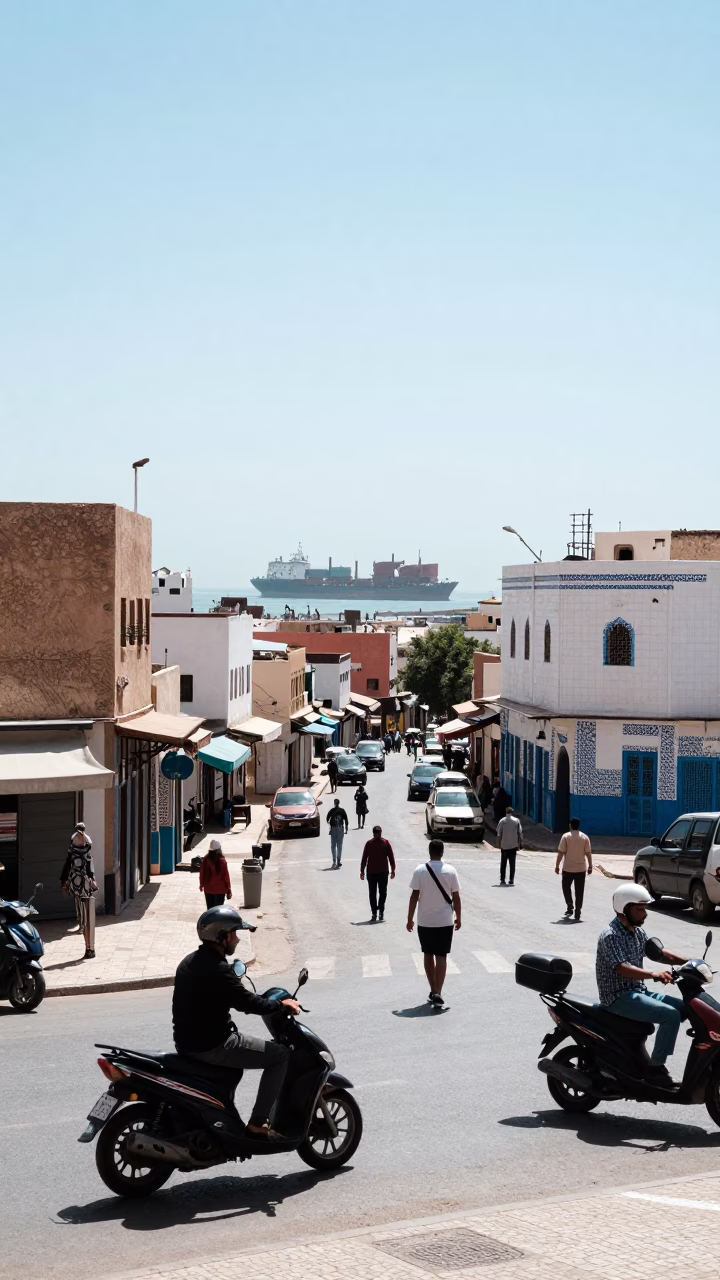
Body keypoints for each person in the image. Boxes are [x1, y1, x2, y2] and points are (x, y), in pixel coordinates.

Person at [173, 906, 300, 1140]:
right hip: (213, 1045)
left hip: (187, 1043)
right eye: (234, 933)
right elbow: (248, 1003)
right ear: (223, 936)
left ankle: (223, 1119)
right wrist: (282, 1005)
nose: (238, 939)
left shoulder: (189, 962)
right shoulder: (219, 970)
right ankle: (258, 1123)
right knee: (280, 1056)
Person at [596, 885, 686, 1087]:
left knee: (684, 1007)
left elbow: (660, 953)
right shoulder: (611, 935)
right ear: (624, 908)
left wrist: (688, 963)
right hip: (617, 997)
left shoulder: (637, 932)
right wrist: (654, 974)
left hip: (637, 992)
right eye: (639, 909)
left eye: (644, 908)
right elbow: (622, 968)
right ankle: (656, 1069)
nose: (644, 913)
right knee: (670, 1015)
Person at [407, 838, 461, 1007]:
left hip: (425, 921)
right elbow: (456, 897)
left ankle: (434, 989)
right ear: (442, 852)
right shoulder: (451, 871)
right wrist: (459, 917)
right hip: (445, 921)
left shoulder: (420, 870)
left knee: (428, 954)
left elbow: (414, 896)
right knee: (442, 956)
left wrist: (409, 918)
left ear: (429, 852)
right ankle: (437, 991)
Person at [60, 822, 98, 959]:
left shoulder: (83, 843)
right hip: (80, 886)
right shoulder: (80, 842)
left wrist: (64, 881)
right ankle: (88, 945)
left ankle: (89, 945)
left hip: (82, 887)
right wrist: (64, 881)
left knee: (85, 915)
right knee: (83, 914)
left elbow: (89, 867)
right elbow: (69, 866)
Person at [555, 818, 592, 920]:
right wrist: (590, 866)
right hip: (581, 869)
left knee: (565, 887)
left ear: (570, 825)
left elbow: (561, 853)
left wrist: (557, 866)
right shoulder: (585, 837)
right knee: (579, 891)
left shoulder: (566, 836)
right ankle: (578, 911)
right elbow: (588, 853)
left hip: (568, 869)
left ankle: (570, 904)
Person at [360, 824, 396, 921]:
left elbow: (391, 858)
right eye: (375, 834)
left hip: (383, 872)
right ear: (373, 834)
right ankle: (374, 912)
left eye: (378, 833)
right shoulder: (369, 844)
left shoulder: (385, 843)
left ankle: (381, 911)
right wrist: (362, 871)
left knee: (383, 893)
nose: (377, 836)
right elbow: (364, 858)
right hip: (371, 873)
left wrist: (393, 870)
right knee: (372, 894)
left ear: (381, 833)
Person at [199, 839, 232, 908]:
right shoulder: (222, 861)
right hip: (220, 890)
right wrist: (228, 889)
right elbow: (226, 876)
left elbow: (202, 873)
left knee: (210, 910)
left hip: (208, 889)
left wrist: (201, 884)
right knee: (218, 910)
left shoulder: (206, 859)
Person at [496, 806, 522, 885]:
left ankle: (502, 879)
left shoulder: (502, 821)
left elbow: (499, 834)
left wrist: (498, 844)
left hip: (504, 845)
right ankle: (511, 879)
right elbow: (519, 833)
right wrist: (519, 844)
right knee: (512, 863)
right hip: (513, 845)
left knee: (503, 863)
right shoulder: (516, 821)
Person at [326, 797, 349, 867]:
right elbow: (346, 820)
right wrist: (346, 829)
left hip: (335, 828)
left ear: (335, 803)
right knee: (337, 845)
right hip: (339, 828)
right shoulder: (341, 811)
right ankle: (337, 860)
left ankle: (336, 861)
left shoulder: (333, 811)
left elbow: (327, 819)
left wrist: (331, 825)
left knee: (335, 845)